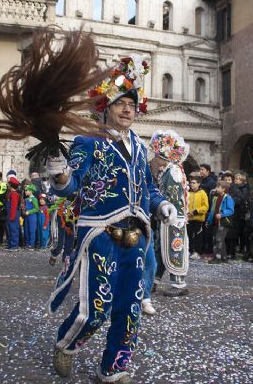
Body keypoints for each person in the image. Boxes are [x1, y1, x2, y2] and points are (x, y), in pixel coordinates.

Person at [43, 55, 176, 382]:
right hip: (101, 234)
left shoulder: (141, 148)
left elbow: (147, 186)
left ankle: (114, 367)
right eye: (120, 103)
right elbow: (71, 185)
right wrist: (60, 177)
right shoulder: (88, 142)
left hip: (137, 237)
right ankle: (67, 342)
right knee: (97, 307)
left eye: (132, 104)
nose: (127, 109)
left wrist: (161, 206)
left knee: (130, 308)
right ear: (105, 107)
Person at [150, 129, 190, 298]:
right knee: (160, 249)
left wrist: (163, 210)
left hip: (173, 219)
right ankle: (153, 280)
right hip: (166, 217)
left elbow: (172, 197)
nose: (154, 159)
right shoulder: (169, 170)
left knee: (175, 249)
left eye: (157, 156)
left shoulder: (172, 171)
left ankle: (179, 283)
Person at [206, 181, 235, 264]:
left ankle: (218, 258)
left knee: (219, 239)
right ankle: (223, 257)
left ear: (224, 189)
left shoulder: (228, 198)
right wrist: (209, 220)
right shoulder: (215, 198)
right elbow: (212, 211)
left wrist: (222, 214)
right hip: (216, 222)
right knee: (216, 239)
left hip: (224, 222)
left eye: (218, 187)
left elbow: (231, 210)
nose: (216, 188)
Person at [187, 174, 208, 259]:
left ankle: (197, 252)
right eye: (191, 183)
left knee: (198, 236)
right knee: (188, 235)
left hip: (198, 218)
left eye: (194, 183)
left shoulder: (202, 193)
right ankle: (189, 250)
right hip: (188, 218)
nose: (192, 184)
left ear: (199, 184)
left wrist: (196, 211)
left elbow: (205, 206)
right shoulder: (188, 193)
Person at [5, 176, 21, 251]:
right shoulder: (11, 193)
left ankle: (14, 245)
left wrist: (12, 216)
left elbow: (14, 206)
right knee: (9, 230)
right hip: (10, 214)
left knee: (13, 230)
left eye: (8, 183)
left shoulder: (14, 194)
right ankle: (11, 244)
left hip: (13, 214)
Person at [23, 184, 39, 249]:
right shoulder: (26, 199)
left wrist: (29, 212)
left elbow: (37, 208)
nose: (25, 192)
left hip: (32, 217)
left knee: (32, 230)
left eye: (27, 190)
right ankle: (27, 243)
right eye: (25, 191)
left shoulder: (34, 199)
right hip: (26, 216)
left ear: (31, 191)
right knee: (26, 230)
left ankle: (31, 244)